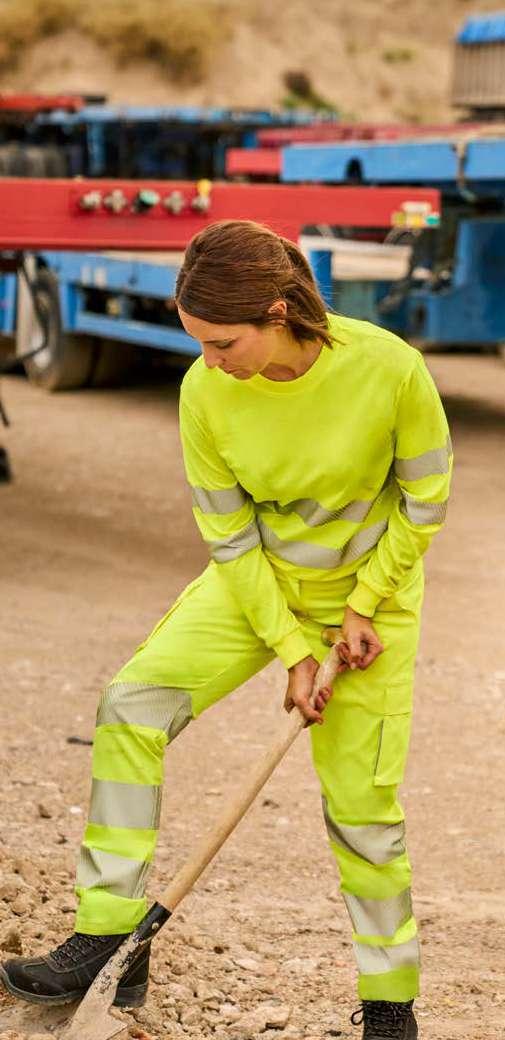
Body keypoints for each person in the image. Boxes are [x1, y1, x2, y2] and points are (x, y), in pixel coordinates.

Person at [0, 220, 452, 1039]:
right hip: (255, 588)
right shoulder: (204, 392)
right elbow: (229, 536)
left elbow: (425, 500)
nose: (209, 361)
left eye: (221, 342)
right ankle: (108, 938)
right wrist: (289, 648)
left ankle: (390, 1003)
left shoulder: (388, 368)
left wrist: (361, 606)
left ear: (277, 313)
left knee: (362, 808)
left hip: (369, 604)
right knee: (132, 705)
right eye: (198, 343)